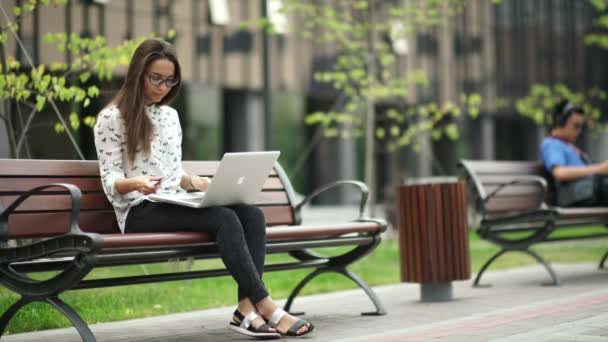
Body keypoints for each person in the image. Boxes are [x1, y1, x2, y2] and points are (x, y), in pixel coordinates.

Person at [94, 38, 313, 339]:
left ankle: (245, 309)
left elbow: (172, 170)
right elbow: (110, 179)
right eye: (155, 78)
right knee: (224, 218)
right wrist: (135, 184)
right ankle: (268, 307)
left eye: (170, 81)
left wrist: (193, 182)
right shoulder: (111, 119)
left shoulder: (169, 116)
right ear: (137, 74)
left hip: (174, 202)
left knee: (251, 215)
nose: (162, 87)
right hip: (138, 211)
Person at [540, 100, 608, 206]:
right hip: (573, 195)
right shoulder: (551, 144)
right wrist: (600, 169)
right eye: (576, 125)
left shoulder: (570, 147)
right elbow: (560, 173)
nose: (579, 130)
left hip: (588, 192)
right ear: (560, 122)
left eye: (581, 126)